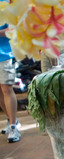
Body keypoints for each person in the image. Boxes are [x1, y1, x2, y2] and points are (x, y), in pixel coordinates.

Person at [0, 15, 20, 143]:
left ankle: (14, 126)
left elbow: (13, 30)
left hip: (4, 54)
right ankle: (10, 119)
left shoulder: (5, 3)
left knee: (6, 88)